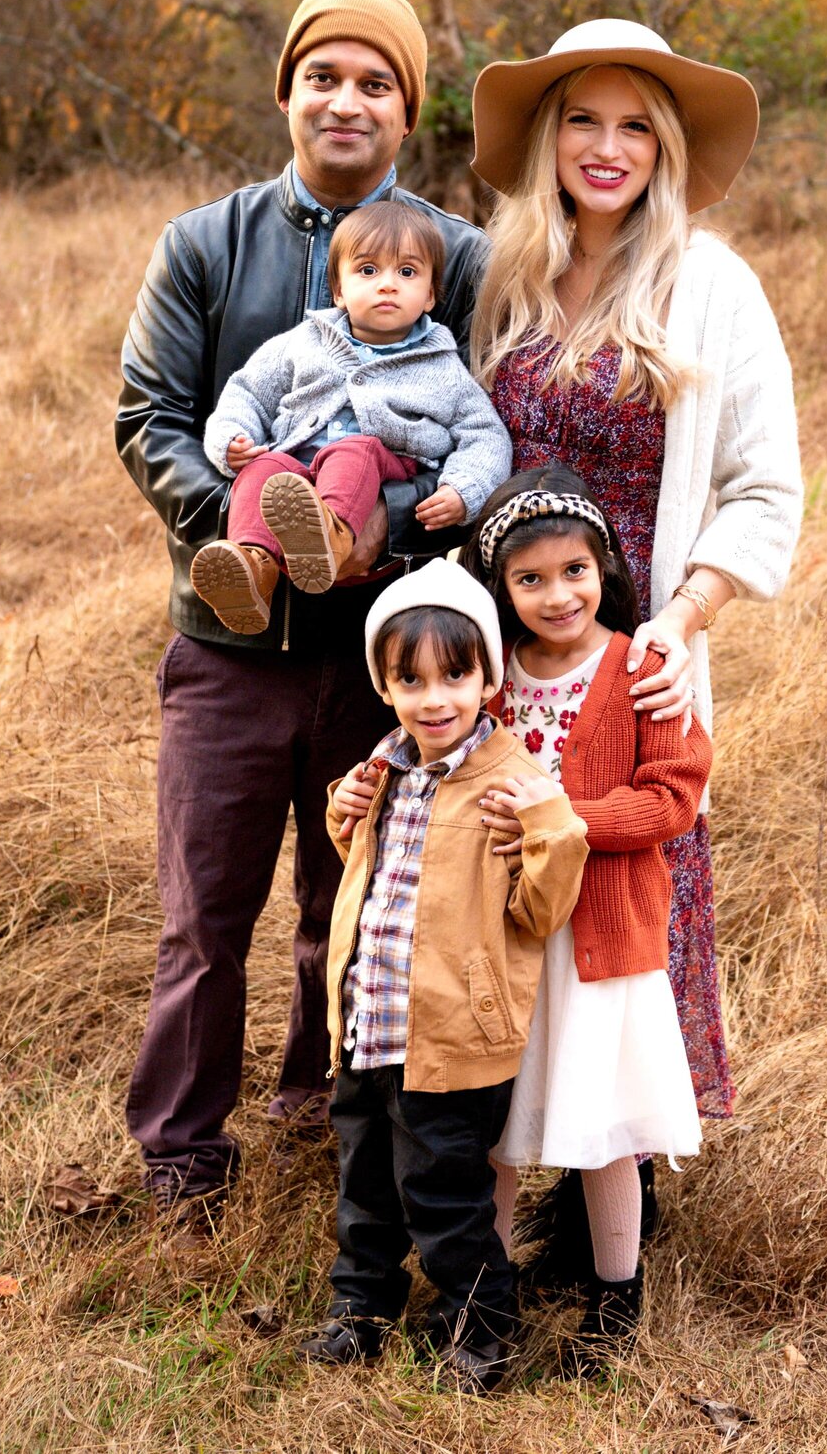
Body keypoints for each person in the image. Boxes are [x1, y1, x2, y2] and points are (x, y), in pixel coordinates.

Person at [116, 0, 488, 1230]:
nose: (346, 100)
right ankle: (179, 1155)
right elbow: (149, 416)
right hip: (225, 641)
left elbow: (496, 421)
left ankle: (317, 1111)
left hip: (385, 653)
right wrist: (240, 528)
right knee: (203, 913)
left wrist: (399, 520)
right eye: (323, 75)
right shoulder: (204, 243)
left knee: (356, 904)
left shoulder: (458, 255)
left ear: (406, 110)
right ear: (287, 91)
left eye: (375, 82)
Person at [467, 18, 802, 1269]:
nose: (606, 147)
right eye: (581, 119)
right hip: (510, 663)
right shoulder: (499, 280)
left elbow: (765, 487)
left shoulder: (710, 284)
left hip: (635, 657)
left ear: (663, 147)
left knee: (620, 909)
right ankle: (491, 1175)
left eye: (633, 125)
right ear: (548, 138)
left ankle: (615, 1202)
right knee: (508, 899)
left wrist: (681, 615)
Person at [308, 561, 588, 1392]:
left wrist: (544, 823)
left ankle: (478, 1325)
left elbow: (543, 908)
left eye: (455, 675)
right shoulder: (383, 768)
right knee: (364, 1186)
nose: (435, 699)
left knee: (445, 1196)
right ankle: (360, 1311)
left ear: (487, 676)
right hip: (368, 1025)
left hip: (453, 1035)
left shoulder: (513, 782)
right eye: (411, 679)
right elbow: (374, 877)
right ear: (385, 685)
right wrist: (341, 811)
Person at [466, 467, 711, 1365]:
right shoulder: (493, 680)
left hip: (604, 941)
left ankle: (615, 1304)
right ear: (503, 588)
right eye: (530, 579)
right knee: (495, 1124)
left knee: (607, 1128)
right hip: (509, 936)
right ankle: (482, 1297)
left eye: (574, 570)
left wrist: (568, 818)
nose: (557, 593)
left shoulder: (643, 669)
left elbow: (673, 797)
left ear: (604, 563)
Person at [190, 201, 511, 632]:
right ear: (338, 290)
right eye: (368, 270)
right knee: (264, 467)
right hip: (298, 475)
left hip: (378, 479)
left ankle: (330, 535)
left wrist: (463, 489)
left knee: (353, 450)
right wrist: (231, 437)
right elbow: (248, 390)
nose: (387, 286)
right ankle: (254, 568)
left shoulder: (441, 367)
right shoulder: (303, 342)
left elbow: (485, 435)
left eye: (408, 273)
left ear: (431, 295)